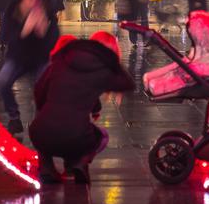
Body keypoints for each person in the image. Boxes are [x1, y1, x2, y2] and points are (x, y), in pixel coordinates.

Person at [29, 31, 134, 184]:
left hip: (41, 133)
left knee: (44, 125)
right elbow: (128, 84)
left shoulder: (58, 64)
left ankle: (46, 168)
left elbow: (38, 91)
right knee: (100, 135)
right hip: (76, 136)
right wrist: (112, 62)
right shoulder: (100, 70)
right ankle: (78, 163)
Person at [0, 0, 60, 135]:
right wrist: (8, 38)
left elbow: (53, 31)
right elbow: (9, 18)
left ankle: (42, 120)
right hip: (20, 54)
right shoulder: (18, 7)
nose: (31, 2)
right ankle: (14, 118)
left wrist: (49, 44)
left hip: (40, 54)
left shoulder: (46, 9)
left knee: (44, 86)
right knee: (3, 81)